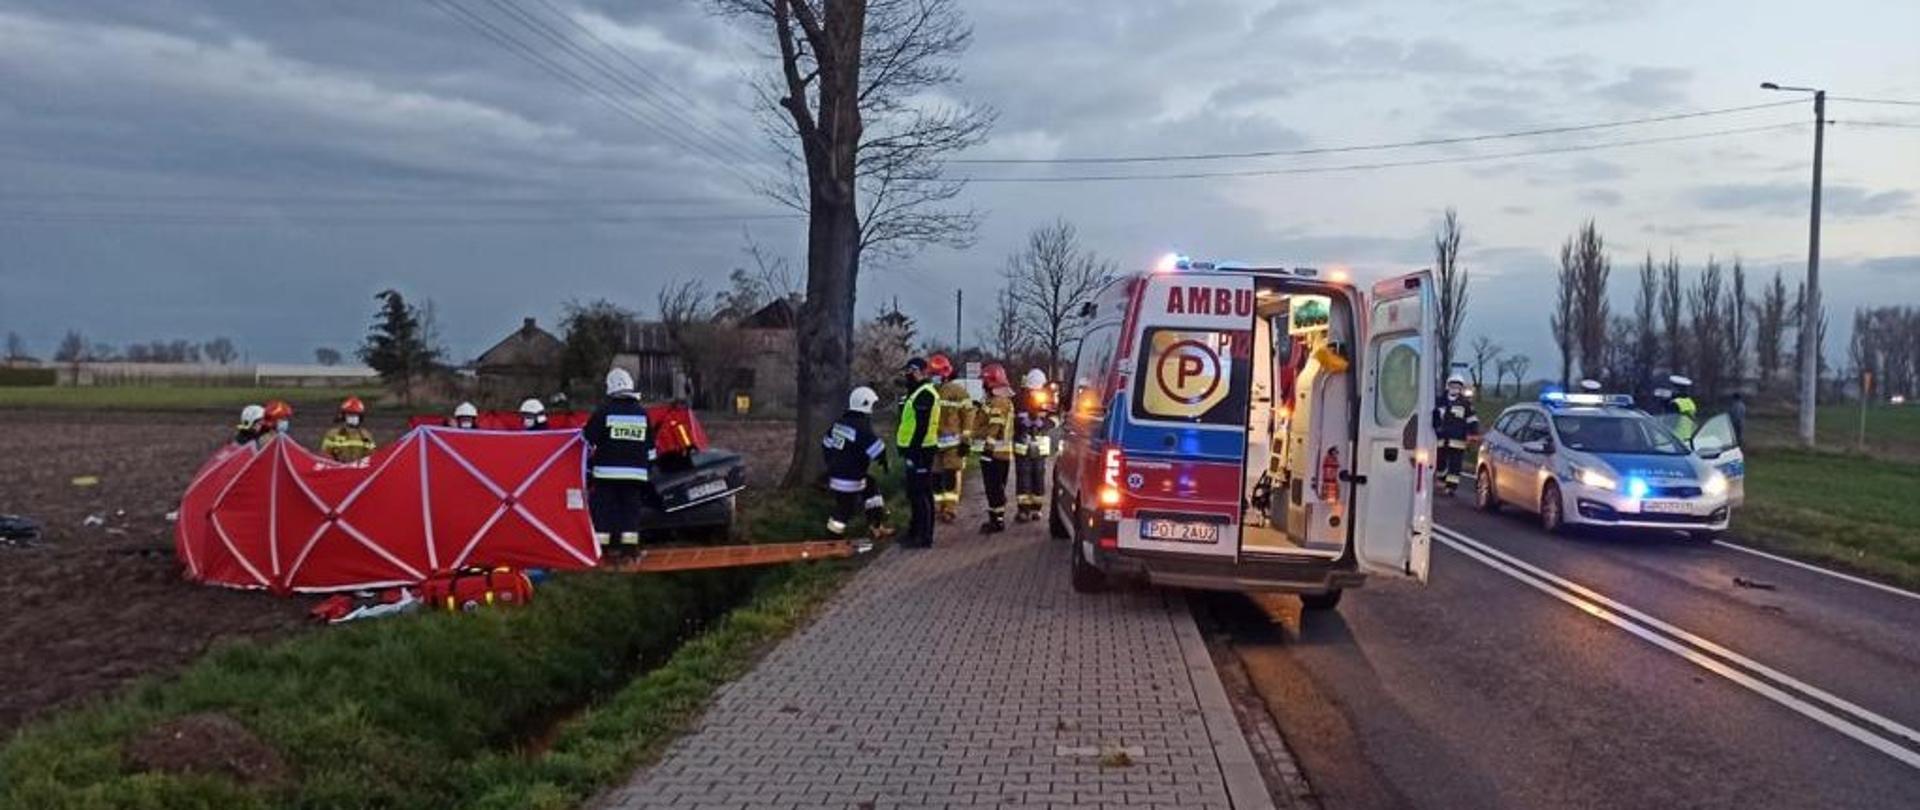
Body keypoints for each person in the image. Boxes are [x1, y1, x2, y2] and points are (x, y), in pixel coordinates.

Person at [583, 368, 653, 552]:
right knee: (630, 512)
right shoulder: (642, 414)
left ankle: (603, 549)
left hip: (606, 475)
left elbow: (587, 437)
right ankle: (629, 550)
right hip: (635, 476)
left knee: (604, 511)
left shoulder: (604, 412)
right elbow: (651, 450)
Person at [822, 385, 895, 547]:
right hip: (850, 478)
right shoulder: (861, 426)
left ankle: (876, 525)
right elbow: (876, 448)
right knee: (845, 510)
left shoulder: (840, 422)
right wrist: (884, 461)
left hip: (836, 474)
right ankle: (831, 540)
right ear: (866, 404)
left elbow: (826, 443)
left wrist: (832, 463)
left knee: (871, 486)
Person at [895, 357, 942, 548]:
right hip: (914, 450)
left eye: (911, 371)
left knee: (922, 494)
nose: (908, 375)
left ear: (920, 372)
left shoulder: (925, 394)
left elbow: (921, 427)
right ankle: (914, 531)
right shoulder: (915, 393)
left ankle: (924, 536)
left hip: (921, 451)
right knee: (914, 493)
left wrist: (912, 451)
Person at [925, 354, 971, 523]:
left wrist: (966, 440)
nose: (934, 377)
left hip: (953, 444)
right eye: (932, 374)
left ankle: (950, 509)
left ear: (946, 373)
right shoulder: (928, 391)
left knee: (950, 477)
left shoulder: (958, 392)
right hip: (933, 443)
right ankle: (938, 508)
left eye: (937, 373)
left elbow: (968, 416)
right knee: (935, 478)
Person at [972, 363, 1016, 534]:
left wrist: (988, 446)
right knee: (995, 488)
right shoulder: (997, 400)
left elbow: (995, 426)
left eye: (984, 381)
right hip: (999, 453)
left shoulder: (998, 401)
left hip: (994, 453)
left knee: (994, 488)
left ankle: (997, 521)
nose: (982, 385)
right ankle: (996, 518)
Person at [1011, 368, 1058, 522]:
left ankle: (1036, 509)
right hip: (1022, 444)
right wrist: (1021, 422)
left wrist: (1043, 423)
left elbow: (1055, 418)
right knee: (1023, 477)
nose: (1034, 392)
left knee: (1038, 476)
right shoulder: (1018, 400)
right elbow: (1011, 419)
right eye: (1032, 390)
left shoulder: (1048, 399)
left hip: (1040, 445)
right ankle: (1023, 510)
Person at [1433, 373, 1479, 495]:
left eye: (1457, 386)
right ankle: (1442, 478)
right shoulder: (1439, 401)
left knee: (1455, 465)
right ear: (1448, 386)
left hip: (1458, 440)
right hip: (1441, 438)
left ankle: (1451, 487)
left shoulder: (1465, 404)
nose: (1455, 388)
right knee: (1440, 461)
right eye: (1453, 385)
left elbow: (1472, 419)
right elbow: (1432, 417)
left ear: (1461, 388)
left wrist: (1473, 434)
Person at [320, 396, 376, 463]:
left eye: (356, 415)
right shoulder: (332, 435)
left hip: (358, 471)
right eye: (350, 414)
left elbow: (372, 457)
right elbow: (325, 457)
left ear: (360, 417)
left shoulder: (366, 436)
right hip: (339, 470)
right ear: (343, 416)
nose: (353, 417)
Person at [1668, 374, 1698, 441]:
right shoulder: (1690, 402)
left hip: (1675, 439)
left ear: (1676, 389)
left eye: (1672, 388)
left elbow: (1670, 424)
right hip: (1688, 438)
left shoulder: (1675, 403)